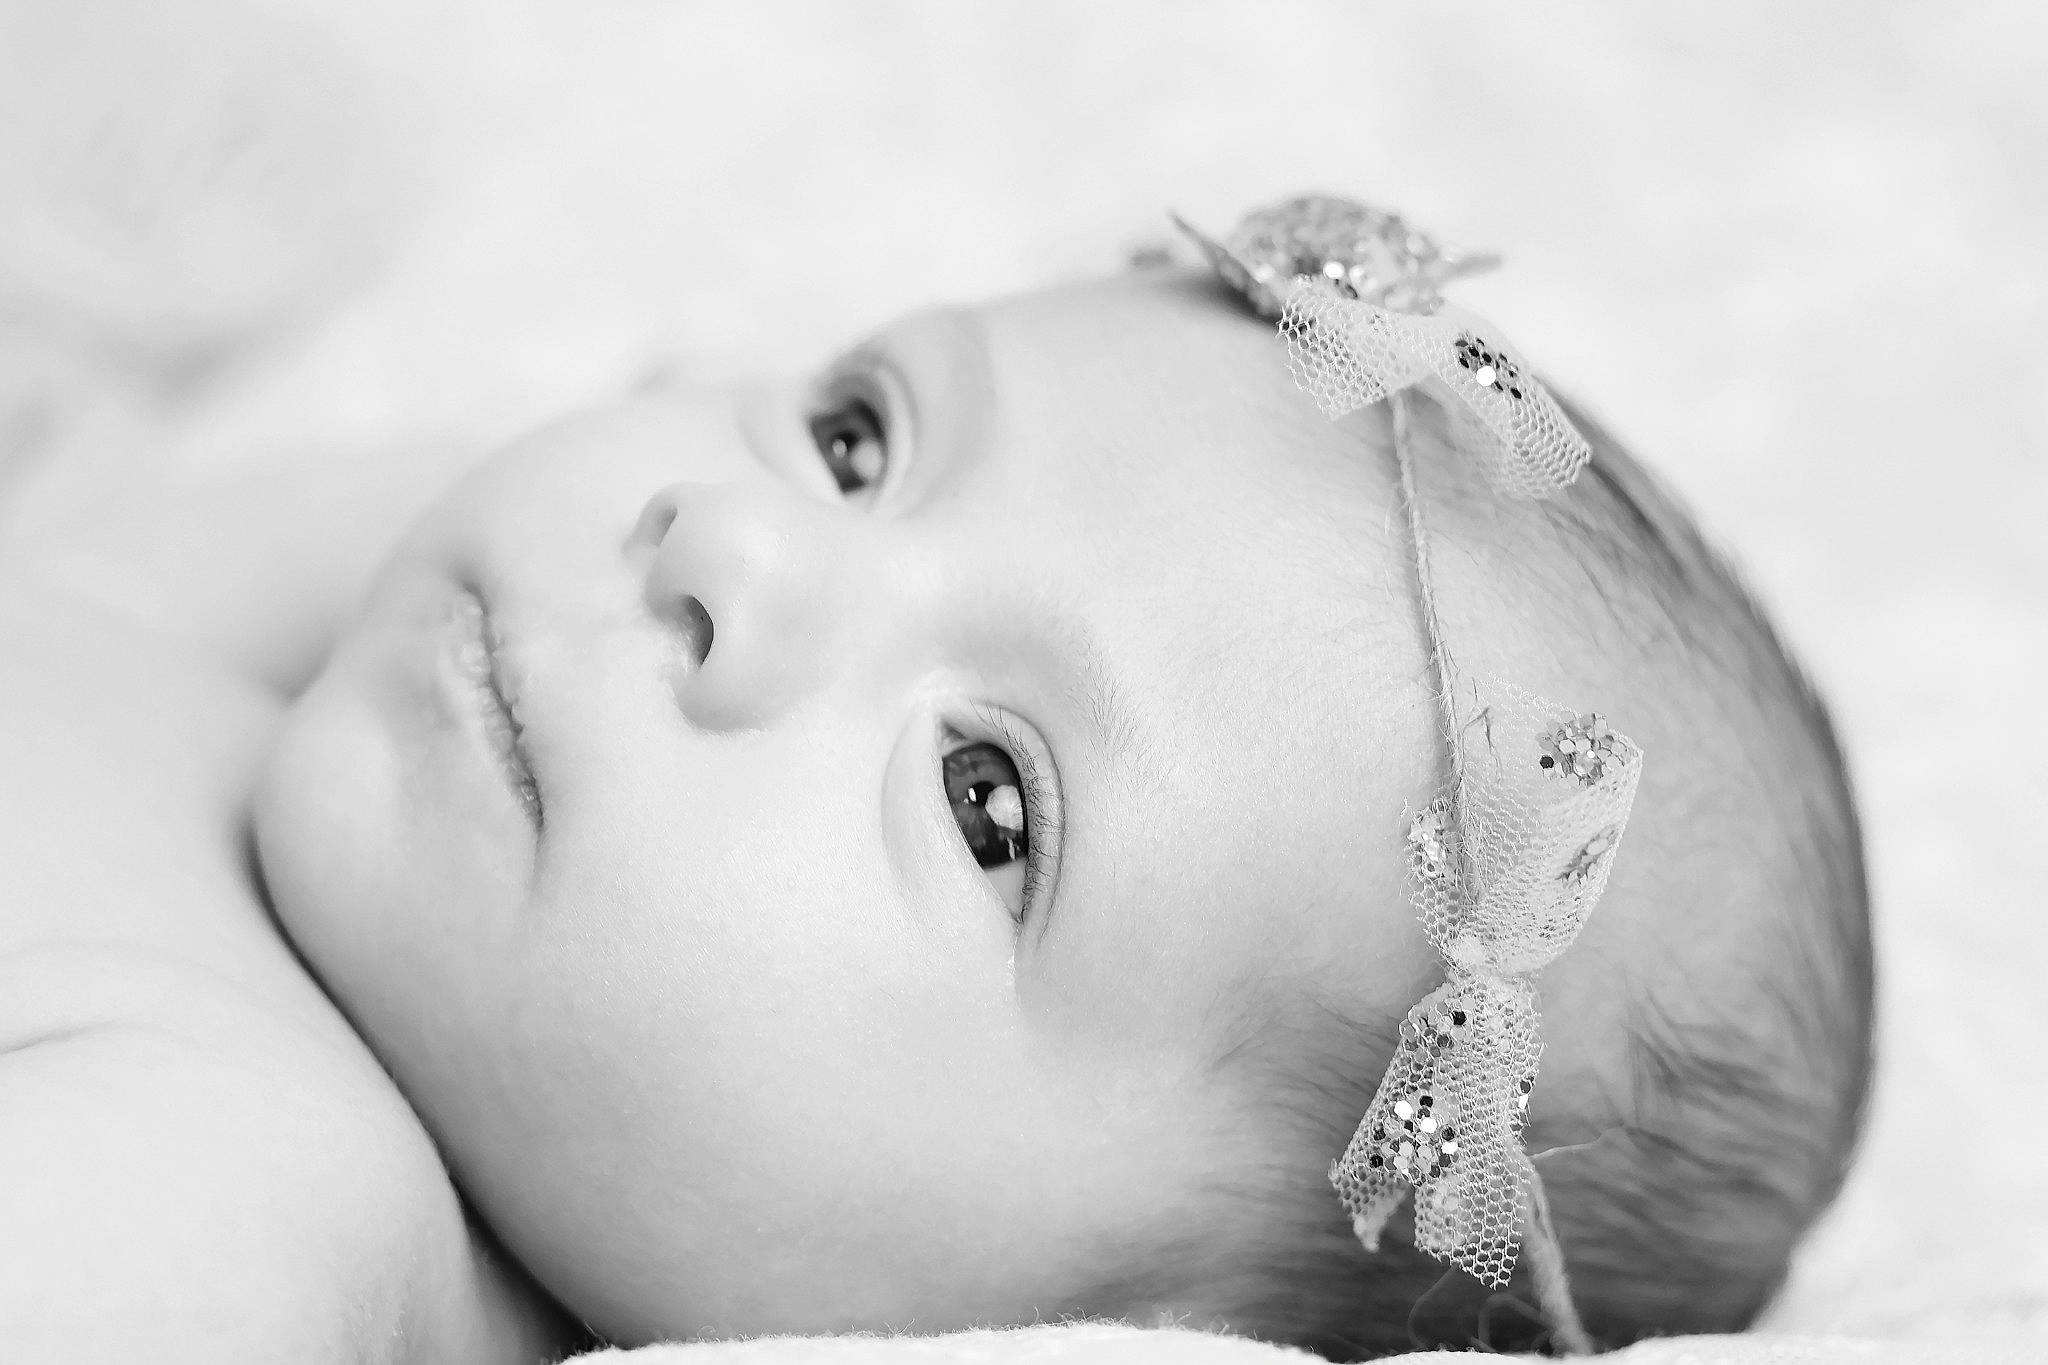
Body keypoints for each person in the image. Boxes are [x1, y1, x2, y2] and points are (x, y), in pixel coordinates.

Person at [0, 199, 1872, 1362]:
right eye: (851, 438)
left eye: (992, 802)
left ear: (1048, 1338)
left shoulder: (247, 1192)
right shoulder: (392, 687)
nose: (725, 549)